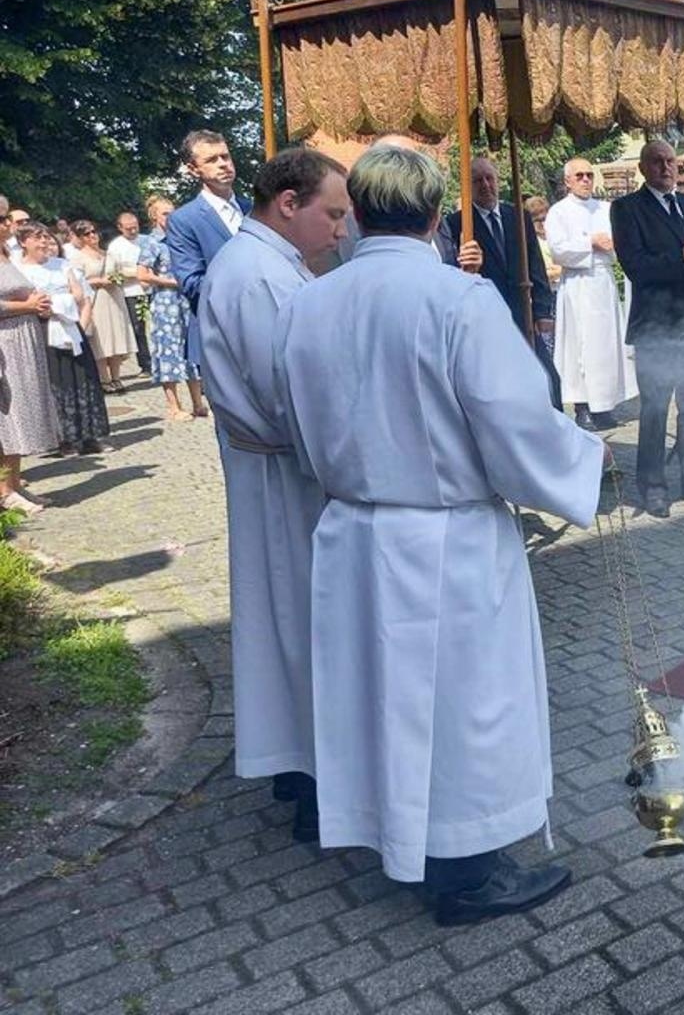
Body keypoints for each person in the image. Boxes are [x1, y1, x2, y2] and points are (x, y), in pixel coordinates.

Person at [274, 144, 605, 922]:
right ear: (433, 215)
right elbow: (513, 422)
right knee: (463, 710)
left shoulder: (306, 302)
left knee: (379, 699)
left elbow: (295, 422)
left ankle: (397, 837)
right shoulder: (461, 300)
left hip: (351, 533)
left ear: (354, 209)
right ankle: (465, 873)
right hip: (445, 540)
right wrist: (584, 458)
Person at [198, 148, 350, 833]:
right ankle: (318, 781)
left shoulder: (268, 264)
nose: (341, 231)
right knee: (300, 623)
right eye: (334, 213)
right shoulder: (259, 274)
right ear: (288, 202)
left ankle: (298, 764)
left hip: (278, 472)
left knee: (285, 620)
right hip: (287, 476)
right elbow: (290, 397)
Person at [610, 139, 684, 518]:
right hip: (656, 328)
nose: (666, 168)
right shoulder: (627, 209)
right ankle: (653, 487)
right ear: (643, 168)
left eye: (670, 161)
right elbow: (637, 268)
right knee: (655, 410)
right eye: (657, 162)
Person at [436, 156, 560, 408]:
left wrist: (542, 310)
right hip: (488, 313)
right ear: (467, 187)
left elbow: (534, 263)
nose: (485, 185)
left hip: (522, 311)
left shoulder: (517, 216)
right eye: (477, 181)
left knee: (547, 378)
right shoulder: (458, 223)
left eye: (489, 178)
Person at [545, 156, 635, 430]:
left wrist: (612, 245)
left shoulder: (607, 208)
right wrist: (589, 242)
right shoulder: (558, 212)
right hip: (578, 284)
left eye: (589, 175)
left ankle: (604, 405)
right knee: (580, 347)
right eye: (580, 176)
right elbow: (558, 249)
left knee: (606, 346)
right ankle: (583, 406)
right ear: (567, 181)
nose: (586, 180)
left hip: (603, 282)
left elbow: (624, 241)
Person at [17, 223, 109, 454]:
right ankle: (64, 438)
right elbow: (31, 300)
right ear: (23, 243)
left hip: (69, 325)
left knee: (83, 378)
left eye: (44, 238)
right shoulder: (20, 270)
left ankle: (89, 435)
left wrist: (61, 303)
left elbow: (78, 294)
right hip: (44, 329)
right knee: (57, 381)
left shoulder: (61, 265)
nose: (43, 243)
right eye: (36, 239)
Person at [168, 130, 251, 372]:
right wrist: (253, 288)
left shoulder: (254, 209)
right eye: (212, 160)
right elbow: (192, 282)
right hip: (219, 335)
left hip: (265, 332)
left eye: (225, 156)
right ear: (194, 170)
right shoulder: (184, 220)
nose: (223, 164)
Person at [0, 245, 63, 510]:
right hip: (6, 342)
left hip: (24, 341)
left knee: (22, 413)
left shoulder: (6, 253)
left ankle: (15, 483)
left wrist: (40, 305)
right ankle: (4, 491)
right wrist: (27, 304)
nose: (7, 224)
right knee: (8, 415)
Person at [138, 197, 208, 421]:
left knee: (192, 350)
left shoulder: (182, 238)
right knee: (169, 351)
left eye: (172, 212)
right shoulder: (152, 242)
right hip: (166, 303)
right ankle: (173, 406)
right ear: (155, 217)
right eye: (165, 214)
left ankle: (198, 403)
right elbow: (142, 275)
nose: (170, 217)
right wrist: (172, 282)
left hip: (187, 301)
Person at [73, 221, 138, 391]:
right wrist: (99, 281)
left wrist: (119, 278)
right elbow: (78, 281)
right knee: (101, 340)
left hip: (114, 298)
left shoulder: (108, 254)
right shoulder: (78, 258)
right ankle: (104, 378)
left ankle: (116, 377)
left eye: (94, 231)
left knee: (116, 338)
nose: (92, 236)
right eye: (87, 234)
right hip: (96, 300)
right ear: (81, 238)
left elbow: (121, 271)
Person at [105, 211, 153, 376]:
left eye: (135, 227)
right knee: (138, 329)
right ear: (120, 228)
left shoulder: (147, 240)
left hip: (152, 287)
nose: (133, 231)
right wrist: (135, 273)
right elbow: (112, 273)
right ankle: (146, 364)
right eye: (129, 229)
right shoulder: (115, 247)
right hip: (131, 291)